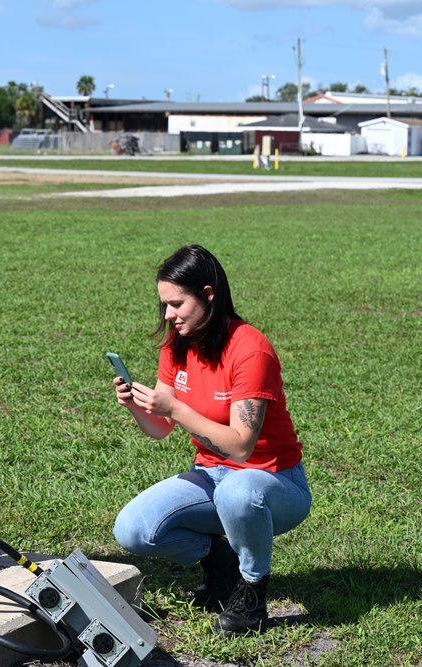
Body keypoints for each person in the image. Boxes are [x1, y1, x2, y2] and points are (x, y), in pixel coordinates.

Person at [111, 244, 311, 637]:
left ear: (208, 294)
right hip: (211, 476)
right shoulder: (177, 345)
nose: (168, 315)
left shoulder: (251, 350)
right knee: (133, 530)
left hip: (274, 484)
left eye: (176, 304)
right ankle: (219, 562)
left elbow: (241, 446)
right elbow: (160, 428)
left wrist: (175, 408)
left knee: (238, 491)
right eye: (163, 304)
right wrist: (138, 406)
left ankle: (252, 590)